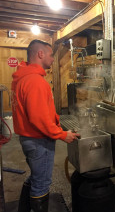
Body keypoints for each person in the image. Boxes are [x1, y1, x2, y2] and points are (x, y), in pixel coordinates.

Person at [11, 39, 80, 212]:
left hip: (28, 139)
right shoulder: (35, 81)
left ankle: (23, 209)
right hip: (39, 141)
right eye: (50, 55)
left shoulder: (22, 77)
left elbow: (40, 112)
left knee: (35, 177)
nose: (52, 59)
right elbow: (39, 119)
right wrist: (63, 135)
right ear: (40, 54)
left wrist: (58, 125)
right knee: (41, 184)